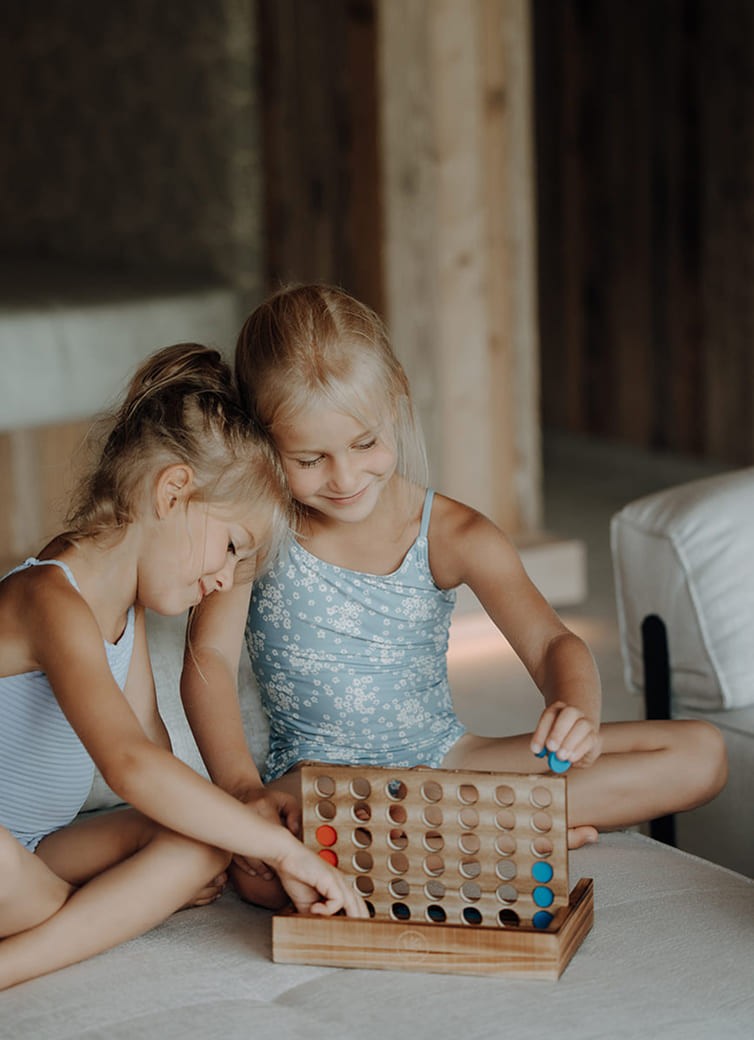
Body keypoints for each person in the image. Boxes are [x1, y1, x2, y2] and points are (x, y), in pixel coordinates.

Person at [181, 284, 727, 909]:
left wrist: (576, 707)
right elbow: (209, 661)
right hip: (323, 784)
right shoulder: (256, 532)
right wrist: (241, 791)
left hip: (452, 764)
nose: (345, 477)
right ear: (261, 438)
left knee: (701, 753)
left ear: (398, 400)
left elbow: (552, 641)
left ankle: (444, 838)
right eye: (310, 459)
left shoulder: (456, 533)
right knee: (255, 873)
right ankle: (504, 833)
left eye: (364, 444)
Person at [0, 342, 366, 991]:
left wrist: (242, 836)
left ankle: (51, 913)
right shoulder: (49, 598)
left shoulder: (124, 610)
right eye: (230, 545)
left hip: (36, 842)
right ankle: (45, 932)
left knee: (196, 843)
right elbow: (130, 765)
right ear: (173, 491)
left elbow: (156, 756)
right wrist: (279, 848)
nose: (223, 578)